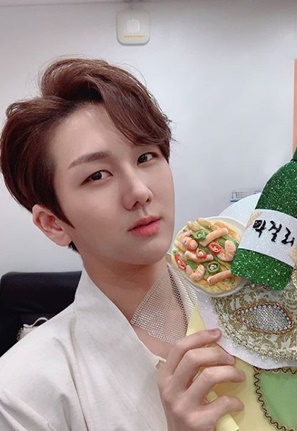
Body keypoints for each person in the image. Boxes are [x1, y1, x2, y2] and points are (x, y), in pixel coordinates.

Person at [0, 58, 245, 430]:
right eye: (97, 175)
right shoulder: (21, 391)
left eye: (145, 156)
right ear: (53, 223)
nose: (139, 191)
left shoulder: (243, 300)